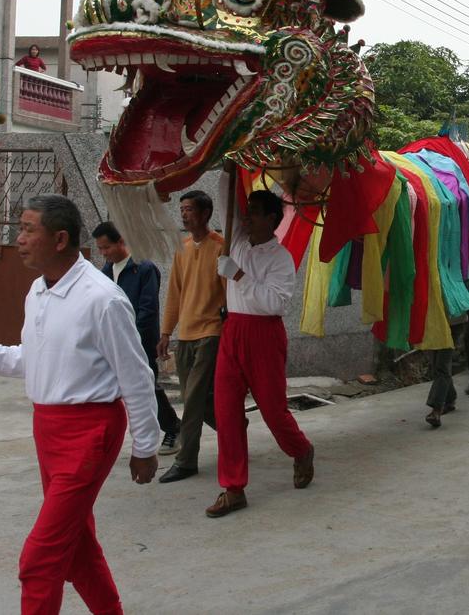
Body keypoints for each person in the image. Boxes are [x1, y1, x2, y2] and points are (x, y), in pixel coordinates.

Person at [0, 195, 159, 615]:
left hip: (90, 433)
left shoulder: (103, 299)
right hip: (47, 430)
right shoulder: (38, 292)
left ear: (60, 239)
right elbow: (34, 358)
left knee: (39, 559)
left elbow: (136, 376)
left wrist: (145, 445)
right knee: (76, 544)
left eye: (28, 230)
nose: (19, 239)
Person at [207, 189, 314, 517]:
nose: (247, 216)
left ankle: (301, 449)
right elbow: (226, 202)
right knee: (225, 411)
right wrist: (229, 168)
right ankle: (233, 487)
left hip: (264, 335)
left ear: (272, 218)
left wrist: (237, 275)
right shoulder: (237, 240)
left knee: (272, 410)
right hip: (233, 331)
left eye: (255, 212)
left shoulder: (280, 258)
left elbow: (274, 303)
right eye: (247, 210)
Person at [157, 190, 226, 483]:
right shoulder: (182, 248)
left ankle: (186, 461)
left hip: (211, 332)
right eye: (182, 209)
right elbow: (174, 294)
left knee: (193, 398)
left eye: (189, 210)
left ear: (206, 213)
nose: (184, 215)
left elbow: (228, 292)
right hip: (185, 333)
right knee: (195, 396)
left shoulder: (222, 247)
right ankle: (233, 426)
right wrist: (165, 332)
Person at [93, 221, 181, 453]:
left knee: (147, 387)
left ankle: (173, 428)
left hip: (138, 341)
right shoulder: (106, 271)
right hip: (111, 341)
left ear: (121, 241)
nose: (103, 253)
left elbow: (148, 309)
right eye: (100, 249)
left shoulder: (143, 268)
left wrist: (133, 339)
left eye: (106, 248)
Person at [425, 317, 465, 428]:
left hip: (452, 323)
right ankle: (450, 398)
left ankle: (436, 409)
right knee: (437, 365)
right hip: (433, 321)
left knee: (441, 366)